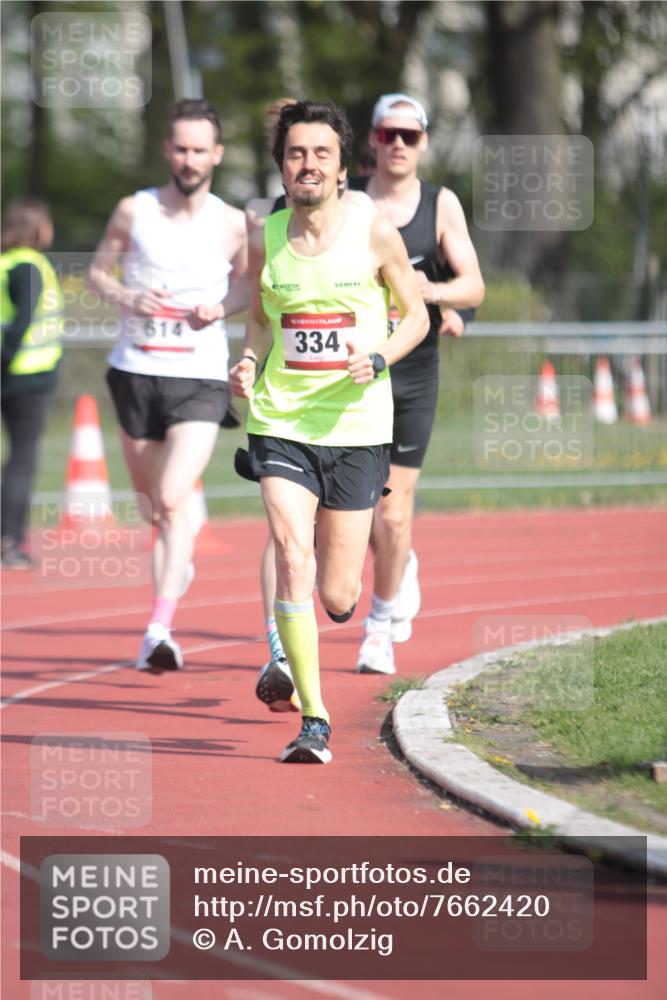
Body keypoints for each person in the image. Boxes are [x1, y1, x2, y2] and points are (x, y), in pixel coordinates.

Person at [230, 99, 428, 764]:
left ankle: (354, 590)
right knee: (291, 557)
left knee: (339, 596)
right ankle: (313, 721)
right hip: (280, 421)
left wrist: (377, 358)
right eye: (295, 153)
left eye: (320, 153)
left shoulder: (372, 234)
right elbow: (261, 316)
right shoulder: (266, 234)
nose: (306, 164)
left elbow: (416, 318)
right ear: (281, 166)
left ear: (344, 167)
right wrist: (250, 362)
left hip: (356, 427)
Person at [89, 99, 247, 671]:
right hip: (136, 370)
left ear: (217, 154)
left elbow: (251, 287)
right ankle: (175, 554)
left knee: (175, 496)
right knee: (155, 509)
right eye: (180, 147)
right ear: (167, 150)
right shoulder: (135, 211)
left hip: (199, 375)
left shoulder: (233, 223)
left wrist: (221, 308)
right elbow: (96, 273)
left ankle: (159, 629)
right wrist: (128, 296)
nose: (189, 158)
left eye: (200, 149)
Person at [349, 93, 485, 674]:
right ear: (373, 141)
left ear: (423, 141)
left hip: (412, 373)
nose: (398, 144)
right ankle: (398, 565)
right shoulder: (349, 200)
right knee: (361, 510)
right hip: (352, 371)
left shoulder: (441, 203)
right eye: (388, 135)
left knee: (394, 511)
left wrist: (433, 295)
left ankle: (377, 628)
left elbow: (474, 285)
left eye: (409, 135)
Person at [1, 197, 64, 569]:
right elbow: (23, 322)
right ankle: (9, 541)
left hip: (16, 372)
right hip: (26, 375)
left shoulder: (6, 262)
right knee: (22, 461)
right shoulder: (29, 265)